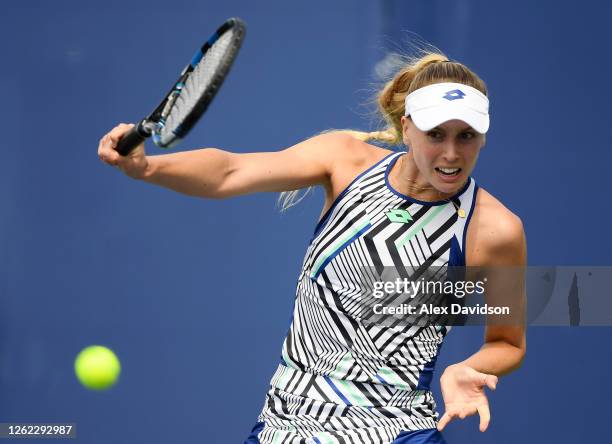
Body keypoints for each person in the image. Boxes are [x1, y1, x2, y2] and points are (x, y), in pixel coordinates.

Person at [98, 52, 526, 444]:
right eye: (436, 134)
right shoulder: (342, 160)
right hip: (285, 428)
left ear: (484, 137)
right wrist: (149, 167)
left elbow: (508, 340)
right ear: (407, 127)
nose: (452, 153)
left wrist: (469, 368)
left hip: (398, 432)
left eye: (467, 135)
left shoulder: (495, 229)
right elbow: (229, 171)